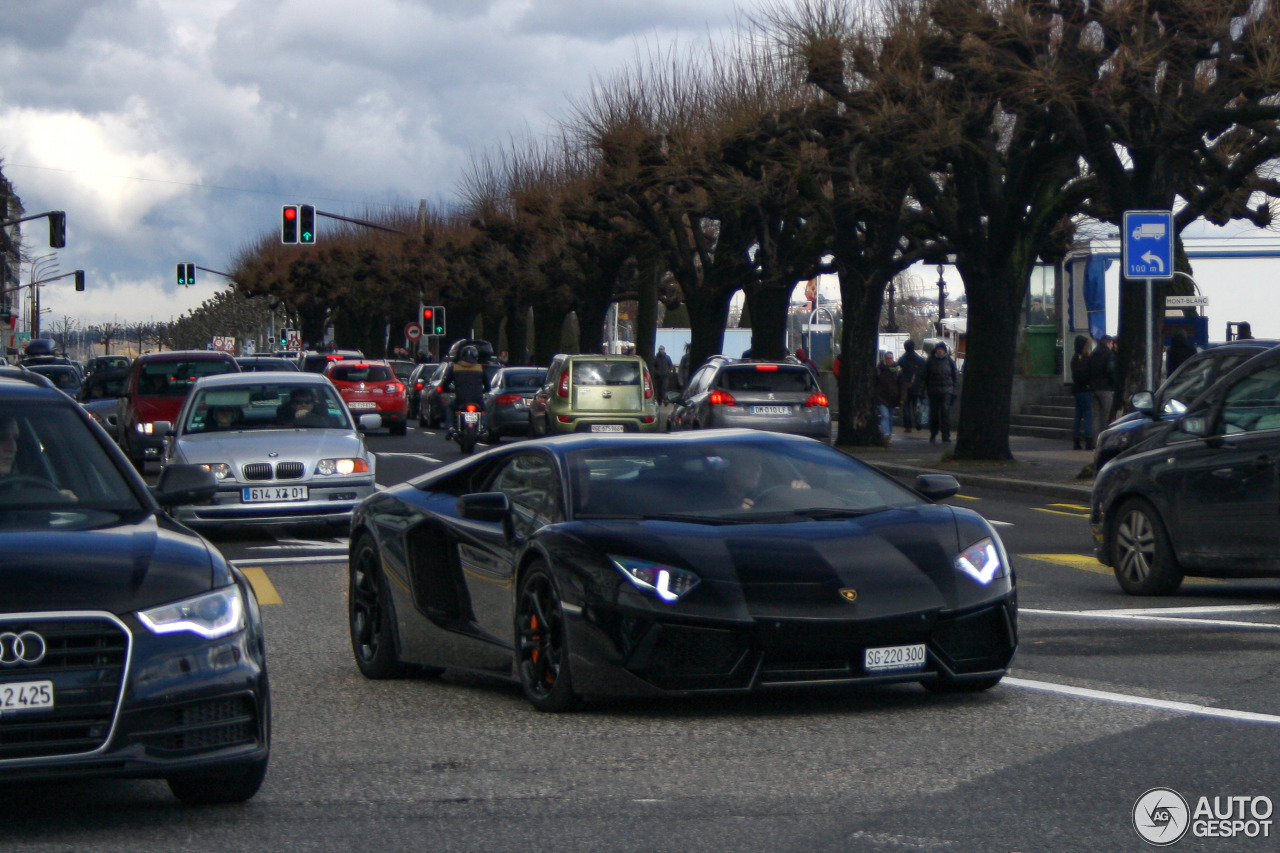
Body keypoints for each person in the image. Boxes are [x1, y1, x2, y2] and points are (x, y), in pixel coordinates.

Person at [724, 451, 809, 510]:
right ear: (733, 469)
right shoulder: (715, 502)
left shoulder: (769, 496)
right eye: (748, 463)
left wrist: (804, 496)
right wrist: (738, 517)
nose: (756, 469)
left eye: (759, 463)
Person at [445, 345, 488, 437]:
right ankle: (483, 426)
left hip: (461, 399)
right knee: (484, 409)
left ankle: (450, 427)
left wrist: (447, 389)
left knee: (450, 407)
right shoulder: (480, 368)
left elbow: (446, 383)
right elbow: (487, 386)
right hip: (477, 399)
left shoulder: (455, 367)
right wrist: (482, 391)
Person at [924, 342, 958, 444]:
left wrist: (954, 391)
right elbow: (925, 376)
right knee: (934, 414)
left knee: (945, 414)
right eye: (938, 349)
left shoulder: (950, 361)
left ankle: (945, 435)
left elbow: (954, 377)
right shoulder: (930, 361)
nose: (939, 351)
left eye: (941, 349)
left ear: (944, 351)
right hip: (933, 391)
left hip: (946, 391)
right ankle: (933, 434)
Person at [1087, 334, 1117, 444]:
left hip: (1093, 388)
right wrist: (1114, 384)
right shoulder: (1109, 354)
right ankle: (1105, 441)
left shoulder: (1093, 354)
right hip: (1105, 388)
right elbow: (1111, 370)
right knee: (1107, 415)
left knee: (1095, 417)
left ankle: (1096, 441)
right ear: (1108, 343)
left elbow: (1088, 371)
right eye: (1111, 343)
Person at [896, 340, 927, 433]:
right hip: (917, 387)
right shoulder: (920, 360)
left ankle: (908, 426)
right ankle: (918, 421)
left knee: (906, 407)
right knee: (916, 407)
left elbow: (898, 373)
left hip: (905, 387)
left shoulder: (901, 360)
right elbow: (924, 375)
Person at [1069, 335, 1093, 450]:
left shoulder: (1075, 358)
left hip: (1077, 389)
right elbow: (1082, 374)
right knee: (1088, 414)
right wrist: (1088, 382)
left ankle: (1076, 439)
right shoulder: (1081, 359)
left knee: (1078, 415)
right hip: (1083, 389)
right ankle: (1089, 439)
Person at [875, 351, 902, 444]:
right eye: (887, 358)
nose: (889, 360)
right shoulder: (880, 369)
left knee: (890, 417)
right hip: (881, 398)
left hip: (893, 398)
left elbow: (901, 384)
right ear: (884, 359)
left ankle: (889, 436)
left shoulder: (897, 370)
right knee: (885, 415)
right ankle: (886, 434)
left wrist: (901, 397)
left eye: (891, 358)